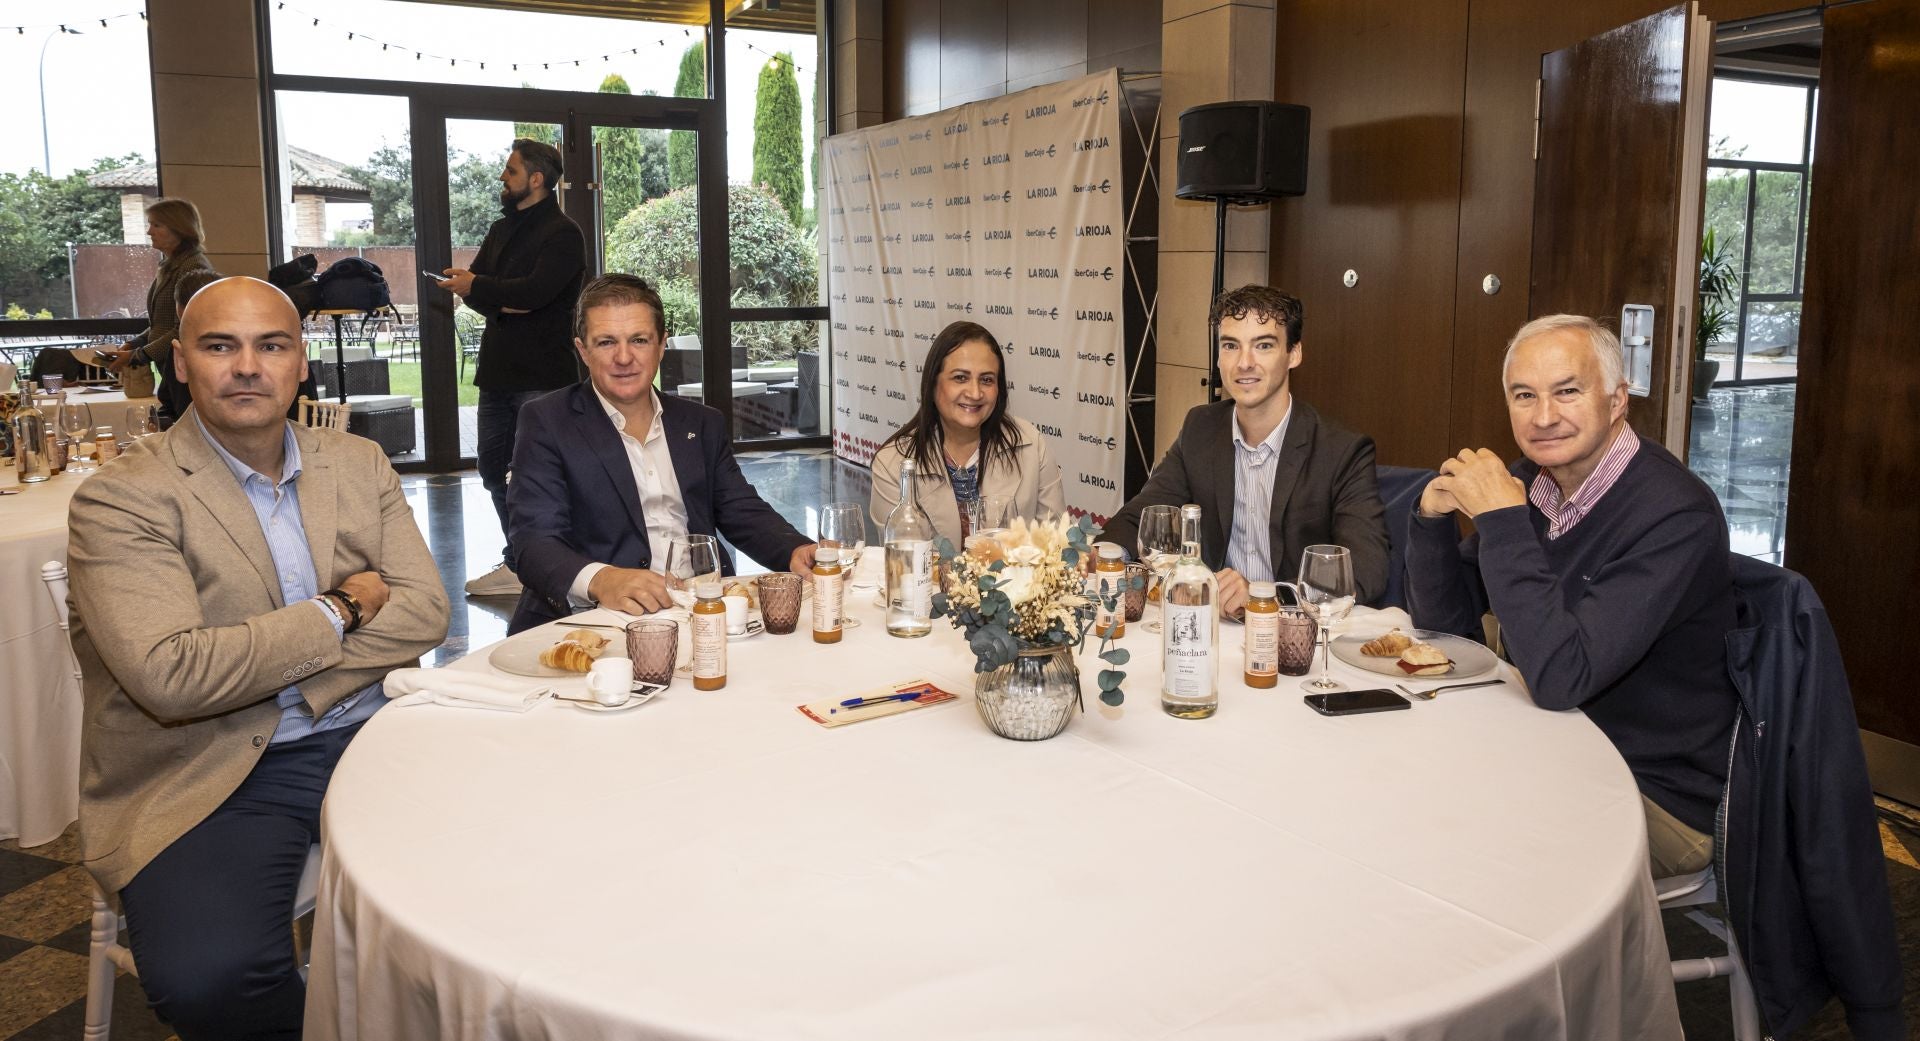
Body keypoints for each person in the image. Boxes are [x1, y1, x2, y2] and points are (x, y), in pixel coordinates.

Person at [65, 277, 450, 1037]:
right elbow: (170, 676)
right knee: (212, 978)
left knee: (527, 874)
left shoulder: (358, 461)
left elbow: (427, 610)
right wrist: (339, 610)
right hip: (207, 767)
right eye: (220, 346)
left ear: (301, 361)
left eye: (271, 345)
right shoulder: (123, 497)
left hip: (375, 734)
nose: (248, 366)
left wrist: (264, 662)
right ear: (181, 363)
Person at [1403, 313, 1738, 879]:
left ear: (1616, 400)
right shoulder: (1533, 485)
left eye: (1567, 392)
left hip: (1648, 789)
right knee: (1386, 784)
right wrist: (1432, 522)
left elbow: (1562, 678)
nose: (1543, 417)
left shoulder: (1674, 514)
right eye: (1524, 395)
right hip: (1539, 745)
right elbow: (1449, 638)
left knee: (1446, 850)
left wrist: (1504, 524)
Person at [505, 273, 816, 633]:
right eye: (606, 342)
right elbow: (534, 543)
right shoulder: (547, 421)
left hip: (701, 612)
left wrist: (793, 549)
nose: (624, 357)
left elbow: (739, 510)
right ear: (582, 350)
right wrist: (603, 580)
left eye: (639, 340)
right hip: (592, 624)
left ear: (661, 345)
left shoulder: (700, 422)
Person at [1098, 285, 1388, 617]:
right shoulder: (1201, 428)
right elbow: (1143, 515)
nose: (1244, 363)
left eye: (1263, 345)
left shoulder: (1341, 451)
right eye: (1231, 346)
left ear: (1294, 354)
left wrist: (1263, 597)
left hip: (1295, 636)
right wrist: (1102, 554)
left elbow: (1366, 570)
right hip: (1215, 630)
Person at [436, 137, 587, 598]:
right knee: (491, 469)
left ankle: (551, 562)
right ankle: (521, 562)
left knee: (536, 474)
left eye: (511, 170)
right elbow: (488, 293)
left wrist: (490, 291)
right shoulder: (501, 230)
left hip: (543, 376)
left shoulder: (563, 234)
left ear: (535, 179)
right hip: (498, 371)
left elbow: (532, 293)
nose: (504, 177)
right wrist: (499, 296)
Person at [868, 320, 1066, 545]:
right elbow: (904, 564)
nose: (975, 392)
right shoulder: (893, 463)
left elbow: (1056, 543)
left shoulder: (1032, 444)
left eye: (986, 380)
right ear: (933, 384)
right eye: (960, 377)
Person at [103, 197, 215, 419]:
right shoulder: (172, 264)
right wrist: (134, 344)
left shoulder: (192, 266)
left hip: (185, 371)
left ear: (178, 228)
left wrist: (138, 355)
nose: (149, 232)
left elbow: (185, 328)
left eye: (156, 225)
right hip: (172, 368)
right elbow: (161, 323)